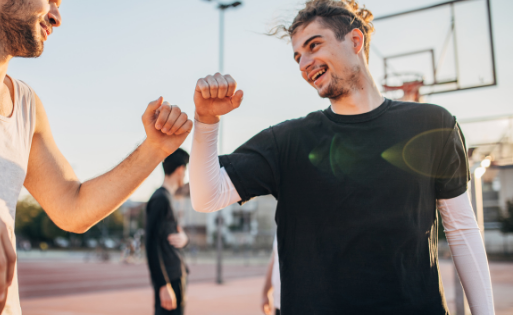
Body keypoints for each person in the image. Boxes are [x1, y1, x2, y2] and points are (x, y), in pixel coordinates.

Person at [188, 0, 494, 314]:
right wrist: (206, 121)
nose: (303, 62)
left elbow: (462, 229)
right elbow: (206, 197)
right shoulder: (288, 141)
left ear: (355, 40)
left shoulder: (432, 125)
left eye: (313, 45)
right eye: (297, 56)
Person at [0, 0, 193, 314]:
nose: (57, 17)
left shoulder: (27, 106)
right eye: (52, 0)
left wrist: (155, 149)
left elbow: (73, 209)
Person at [145, 149, 190, 315]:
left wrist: (185, 239)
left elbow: (176, 234)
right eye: (185, 171)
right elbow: (151, 244)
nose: (185, 176)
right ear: (180, 170)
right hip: (169, 279)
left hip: (175, 275)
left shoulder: (167, 198)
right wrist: (163, 284)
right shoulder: (160, 200)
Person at [262, 235, 281, 315]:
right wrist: (265, 293)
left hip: (301, 303)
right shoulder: (281, 229)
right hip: (280, 302)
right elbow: (274, 259)